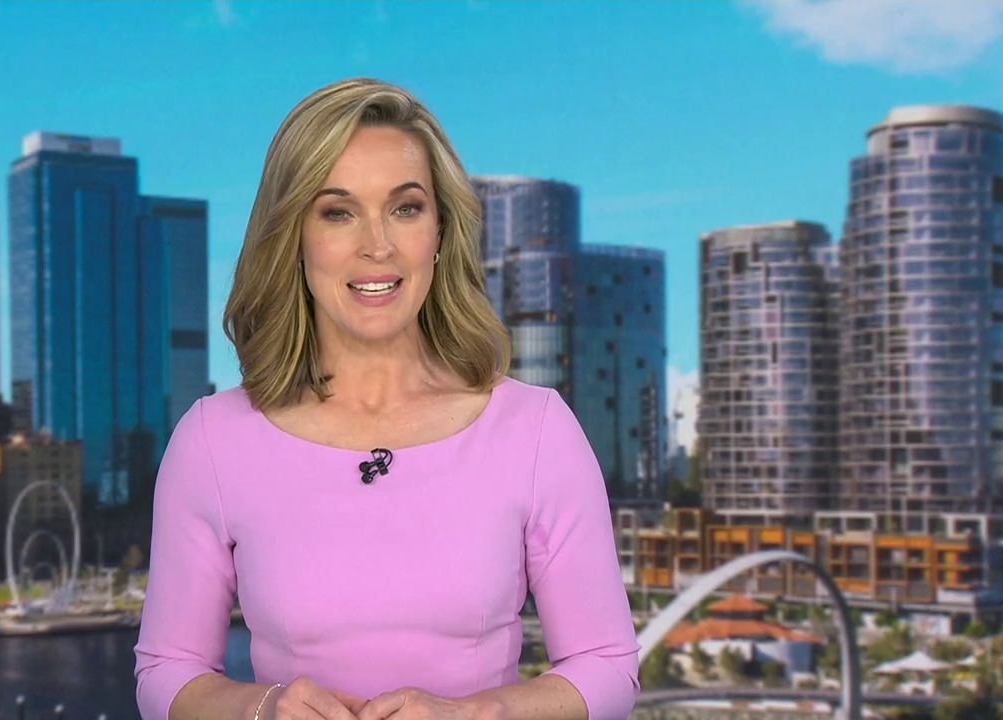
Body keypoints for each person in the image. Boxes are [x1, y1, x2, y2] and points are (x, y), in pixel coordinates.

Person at [134, 78, 639, 720]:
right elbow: (165, 672)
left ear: (440, 230)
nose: (378, 245)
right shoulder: (213, 439)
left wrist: (475, 716)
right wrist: (263, 709)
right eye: (338, 212)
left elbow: (607, 665)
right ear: (293, 236)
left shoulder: (537, 430)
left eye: (405, 208)